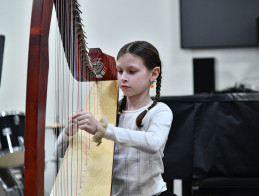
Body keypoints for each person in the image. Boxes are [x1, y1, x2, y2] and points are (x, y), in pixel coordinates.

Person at [55, 41, 174, 196]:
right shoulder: (108, 111)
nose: (123, 78)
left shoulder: (160, 111)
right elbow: (57, 152)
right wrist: (69, 131)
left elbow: (153, 143)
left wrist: (102, 129)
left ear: (154, 74)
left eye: (131, 71)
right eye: (119, 71)